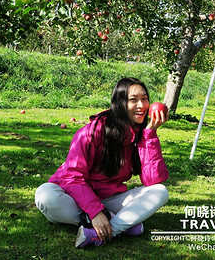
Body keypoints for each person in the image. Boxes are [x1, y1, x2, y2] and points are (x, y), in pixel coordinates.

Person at [34, 77, 169, 249]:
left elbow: (152, 180)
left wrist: (150, 133)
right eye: (133, 100)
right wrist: (96, 212)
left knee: (160, 191)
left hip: (108, 198)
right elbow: (72, 177)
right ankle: (118, 222)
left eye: (144, 99)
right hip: (72, 198)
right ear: (119, 103)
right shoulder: (92, 132)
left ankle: (106, 230)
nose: (142, 106)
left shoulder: (138, 134)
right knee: (45, 195)